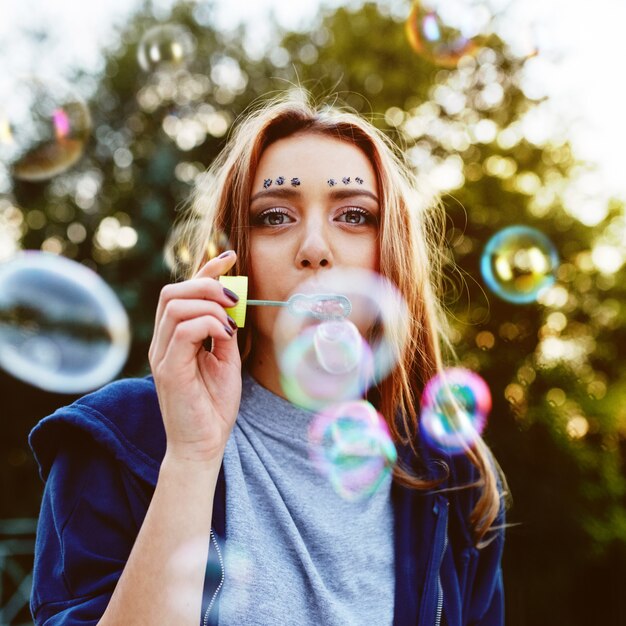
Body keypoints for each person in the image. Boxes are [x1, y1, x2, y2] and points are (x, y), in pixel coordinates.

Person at [29, 93, 507, 626]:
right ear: (234, 260)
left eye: (354, 215)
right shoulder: (118, 438)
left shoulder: (455, 480)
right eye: (275, 216)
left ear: (390, 255)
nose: (315, 247)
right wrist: (190, 456)